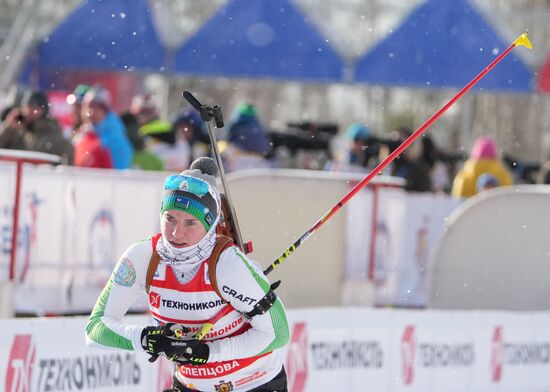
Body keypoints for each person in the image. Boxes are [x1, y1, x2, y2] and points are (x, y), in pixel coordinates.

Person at [86, 157, 290, 391]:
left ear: (210, 224)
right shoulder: (143, 257)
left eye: (190, 223)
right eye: (169, 218)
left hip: (254, 383)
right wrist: (149, 339)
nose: (176, 232)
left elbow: (278, 333)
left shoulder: (228, 265)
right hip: (190, 386)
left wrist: (207, 352)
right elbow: (95, 330)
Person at [81, 85, 133, 169]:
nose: (91, 111)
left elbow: (117, 175)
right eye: (89, 106)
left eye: (97, 107)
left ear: (105, 111)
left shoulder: (115, 138)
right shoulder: (84, 133)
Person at [222, 103, 272, 172]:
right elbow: (266, 145)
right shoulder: (258, 127)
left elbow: (226, 138)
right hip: (258, 160)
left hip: (238, 158)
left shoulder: (236, 125)